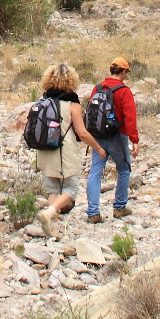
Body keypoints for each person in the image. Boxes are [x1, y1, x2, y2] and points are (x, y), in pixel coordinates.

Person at [33, 63, 105, 237]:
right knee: (71, 189)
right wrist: (98, 148)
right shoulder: (73, 105)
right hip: (64, 152)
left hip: (44, 150)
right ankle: (49, 213)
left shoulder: (43, 102)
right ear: (71, 81)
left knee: (53, 190)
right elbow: (82, 133)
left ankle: (51, 226)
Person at [85, 58, 139, 223]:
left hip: (98, 137)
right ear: (123, 72)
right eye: (126, 72)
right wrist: (134, 140)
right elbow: (130, 118)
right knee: (123, 170)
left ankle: (93, 212)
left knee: (95, 172)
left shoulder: (98, 88)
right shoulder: (124, 91)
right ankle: (119, 207)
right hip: (117, 137)